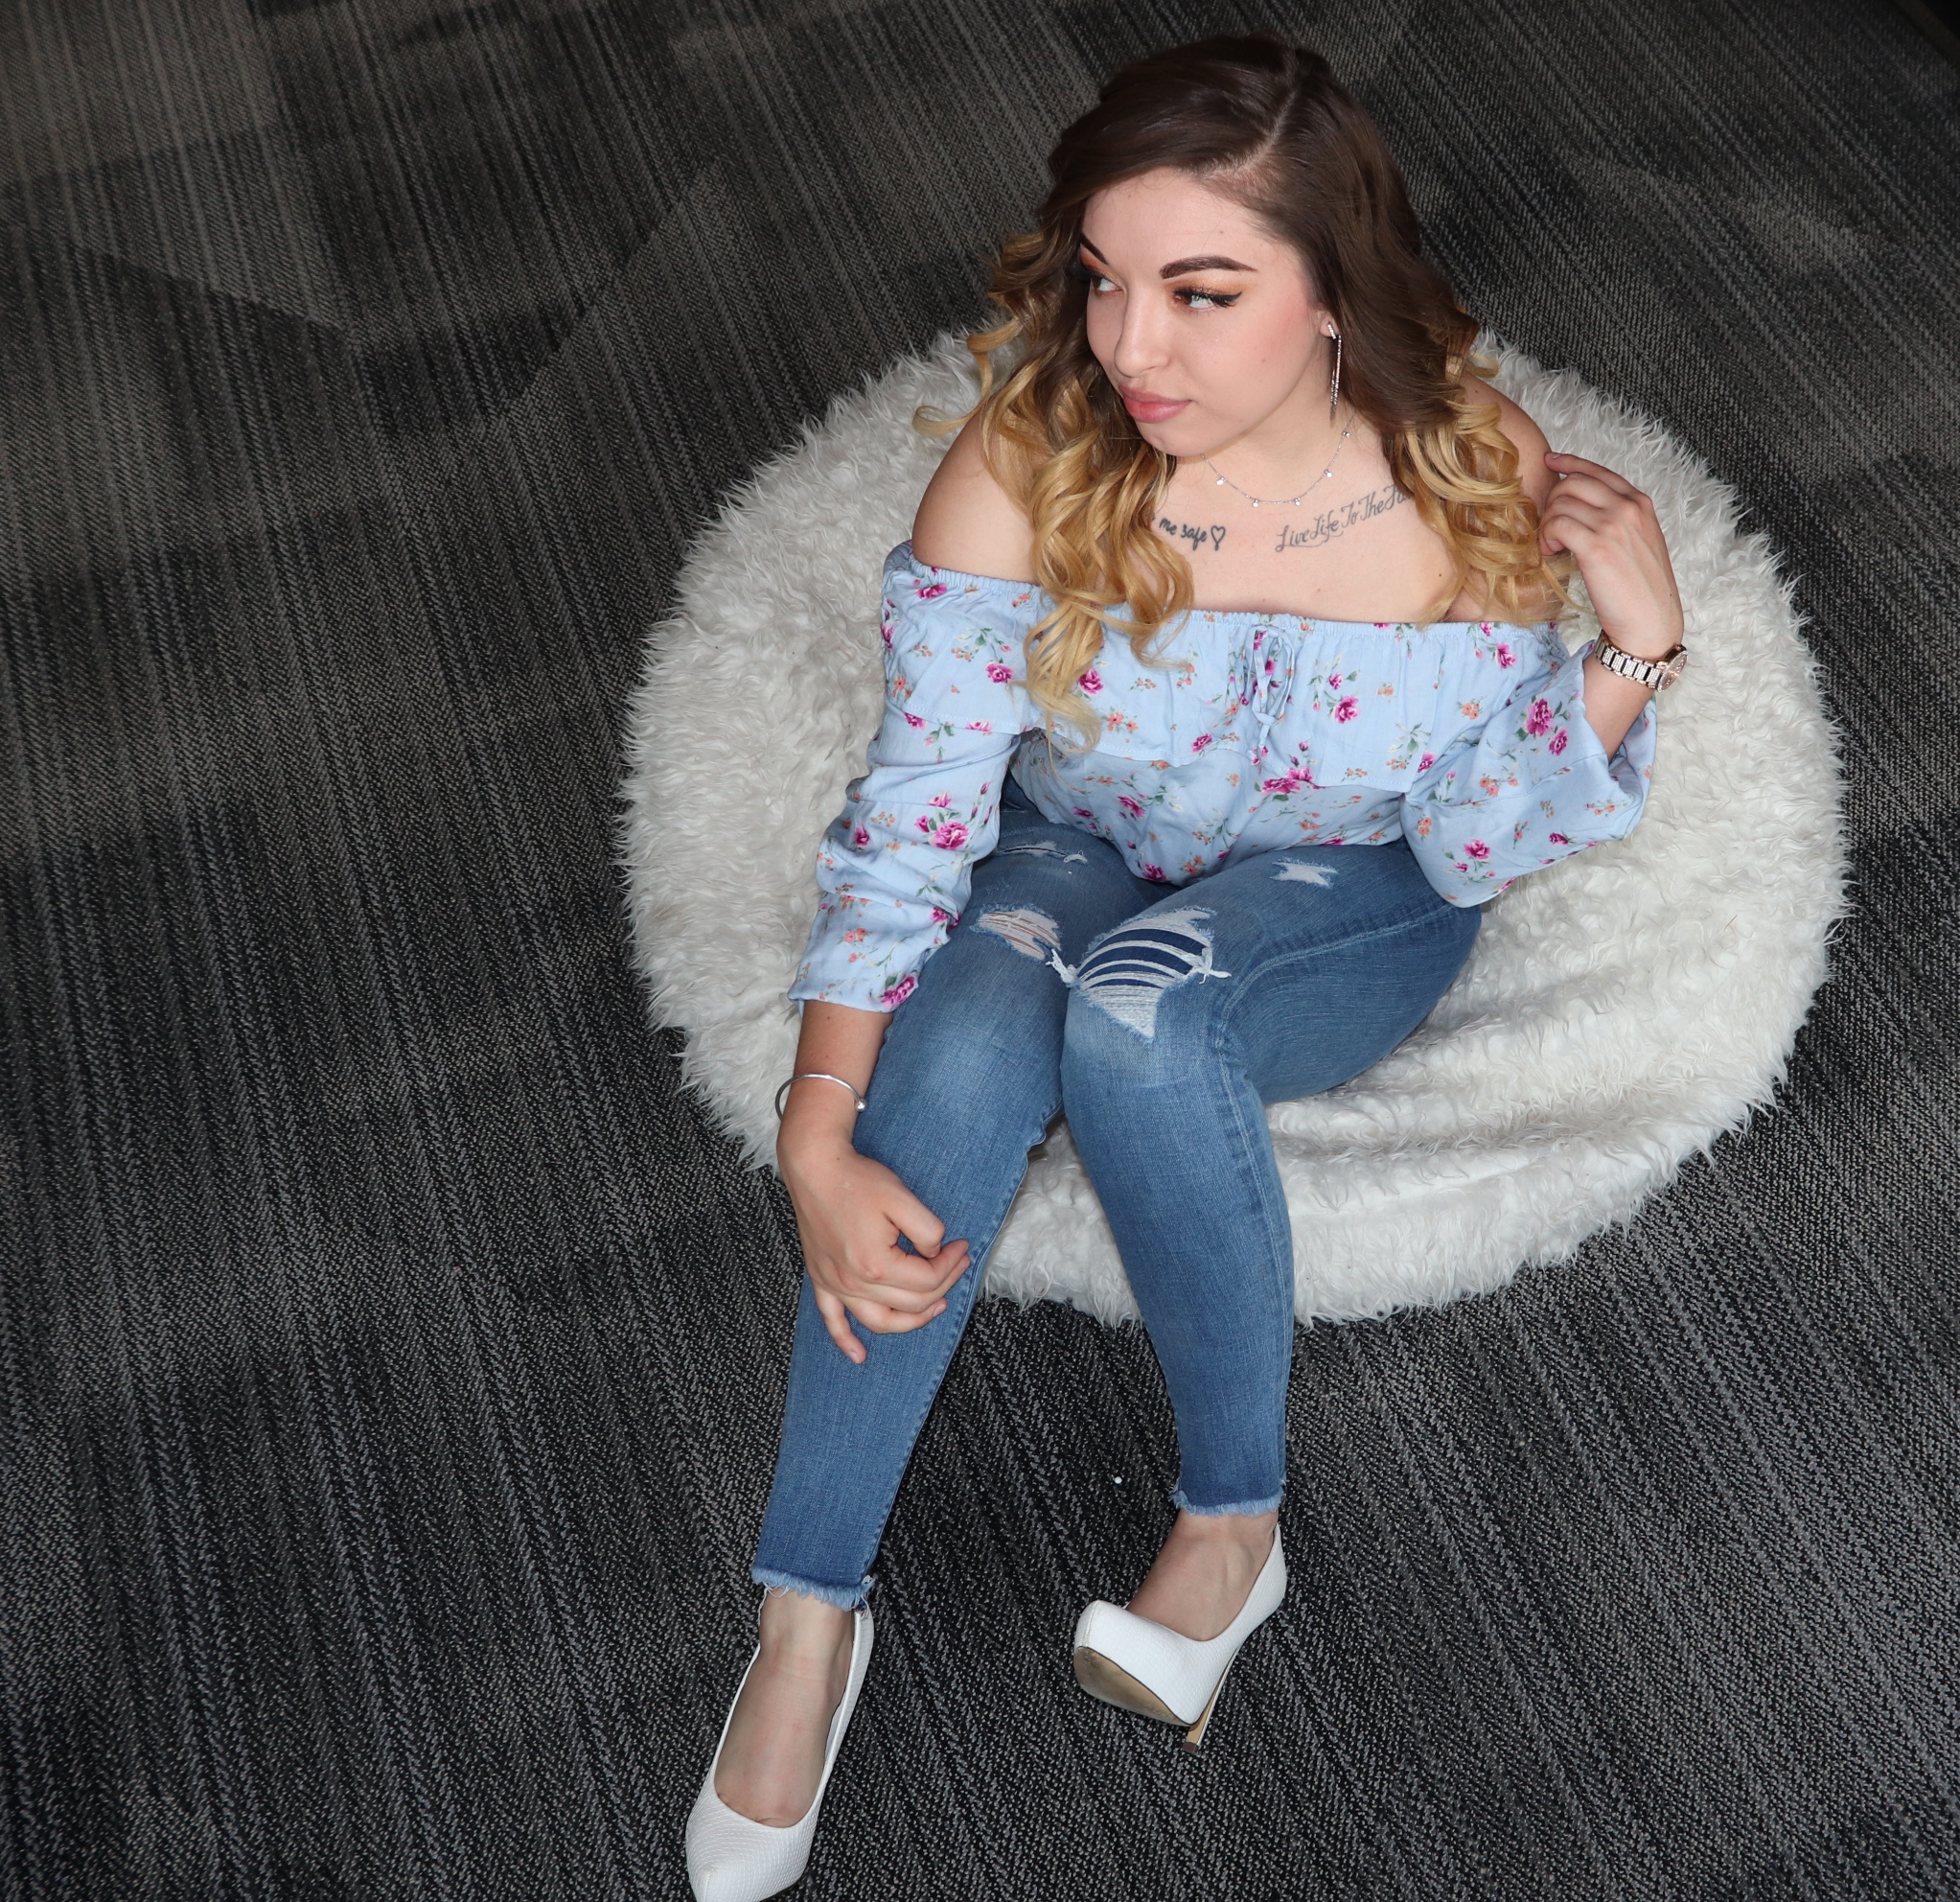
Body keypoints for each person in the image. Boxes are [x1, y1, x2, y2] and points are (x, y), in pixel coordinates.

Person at [683, 35, 1690, 1900]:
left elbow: (1477, 837)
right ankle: (807, 1612)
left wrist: (1630, 650)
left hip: (1353, 891)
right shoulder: (1035, 451)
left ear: (1333, 294)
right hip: (1081, 841)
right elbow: (917, 811)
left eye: (1202, 292)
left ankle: (1235, 1519)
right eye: (1104, 279)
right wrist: (819, 1127)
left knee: (1144, 1017)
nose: (1132, 345)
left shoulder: (1469, 474)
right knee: (957, 1046)